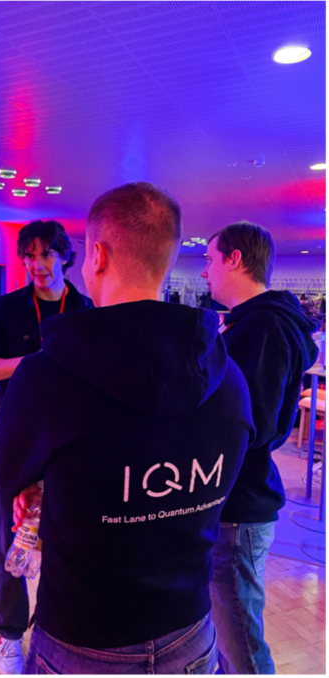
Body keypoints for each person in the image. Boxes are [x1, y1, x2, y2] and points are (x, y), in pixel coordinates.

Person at [0, 182, 255, 676]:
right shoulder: (229, 378)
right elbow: (226, 479)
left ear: (95, 255)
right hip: (190, 633)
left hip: (81, 636)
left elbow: (13, 485)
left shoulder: (44, 377)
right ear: (170, 257)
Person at [0, 219, 93, 676]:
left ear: (64, 258)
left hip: (72, 440)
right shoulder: (4, 310)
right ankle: (8, 635)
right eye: (29, 255)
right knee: (12, 539)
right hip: (18, 439)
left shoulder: (84, 309)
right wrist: (33, 363)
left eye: (46, 255)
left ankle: (58, 625)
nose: (36, 264)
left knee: (66, 535)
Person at [201, 222, 319, 676]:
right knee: (228, 634)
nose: (207, 272)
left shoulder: (264, 326)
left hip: (241, 503)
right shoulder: (256, 323)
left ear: (234, 259)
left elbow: (257, 425)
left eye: (211, 260)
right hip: (234, 498)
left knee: (242, 642)